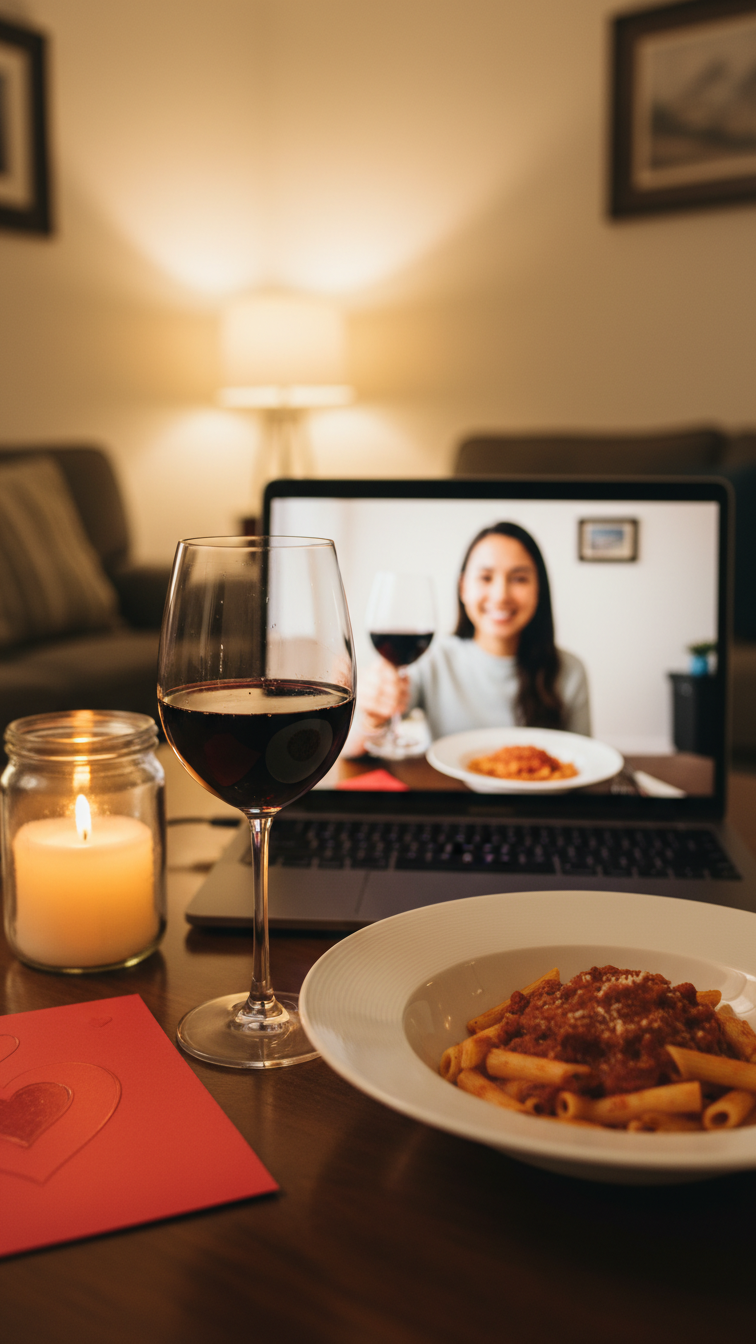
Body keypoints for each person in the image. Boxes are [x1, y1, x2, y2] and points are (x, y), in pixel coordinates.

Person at [359, 521, 591, 743]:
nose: (501, 595)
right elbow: (355, 747)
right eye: (485, 577)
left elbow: (585, 763)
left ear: (538, 589)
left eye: (519, 579)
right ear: (463, 588)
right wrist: (373, 714)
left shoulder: (570, 671)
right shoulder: (433, 660)